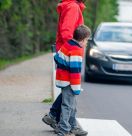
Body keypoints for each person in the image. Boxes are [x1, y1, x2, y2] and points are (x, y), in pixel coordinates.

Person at [42, 0, 86, 128]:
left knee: (67, 88)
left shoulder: (72, 6)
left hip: (66, 51)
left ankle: (55, 117)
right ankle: (58, 119)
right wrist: (73, 50)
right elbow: (66, 32)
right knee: (69, 89)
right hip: (69, 54)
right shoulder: (73, 7)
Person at [55, 25, 91, 136]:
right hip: (69, 82)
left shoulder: (68, 44)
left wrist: (64, 66)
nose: (86, 43)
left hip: (63, 79)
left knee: (72, 105)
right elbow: (75, 71)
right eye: (87, 41)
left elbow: (57, 58)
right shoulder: (76, 51)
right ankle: (63, 129)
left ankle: (73, 127)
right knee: (67, 106)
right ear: (82, 40)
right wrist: (76, 88)